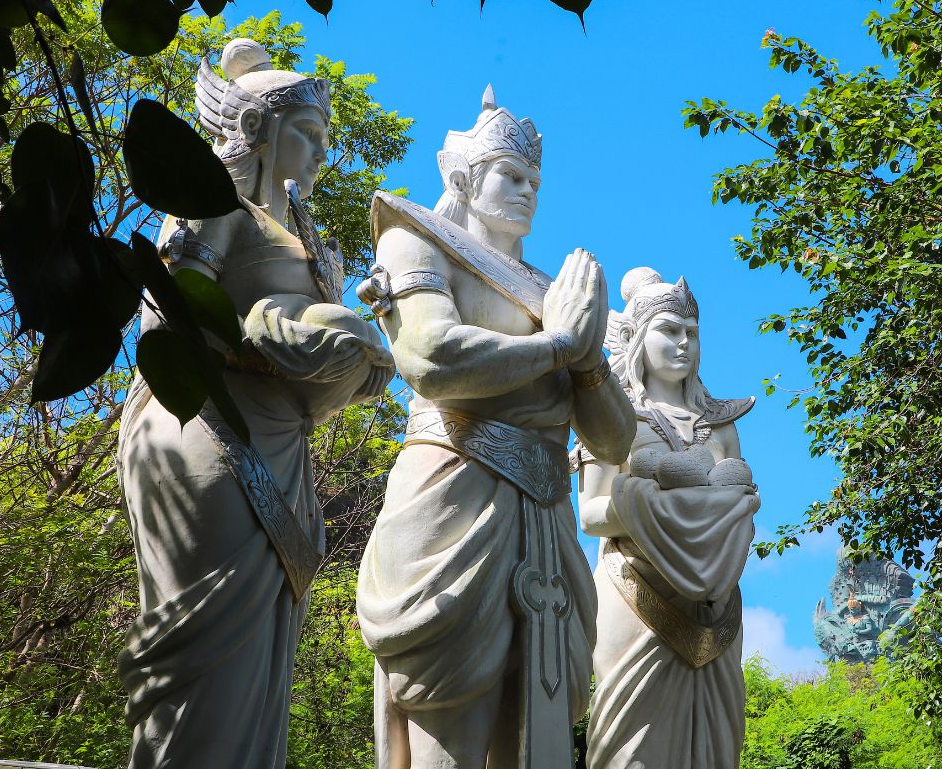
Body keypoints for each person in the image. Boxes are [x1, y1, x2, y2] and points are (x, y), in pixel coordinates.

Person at [116, 38, 393, 769]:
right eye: (310, 133)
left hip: (282, 439)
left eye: (327, 137)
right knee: (200, 652)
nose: (324, 153)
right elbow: (164, 316)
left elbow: (323, 348)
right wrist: (259, 342)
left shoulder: (304, 238)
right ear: (257, 132)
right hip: (203, 430)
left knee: (263, 657)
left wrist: (352, 352)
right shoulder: (213, 208)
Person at [356, 87, 635, 769]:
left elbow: (615, 440)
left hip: (544, 521)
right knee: (448, 727)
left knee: (537, 739)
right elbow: (432, 358)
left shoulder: (556, 290)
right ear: (464, 179)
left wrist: (589, 353)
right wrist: (557, 347)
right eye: (512, 176)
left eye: (535, 181)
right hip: (453, 499)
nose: (527, 191)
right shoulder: (416, 243)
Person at [577, 267, 760, 769]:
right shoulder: (613, 416)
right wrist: (660, 503)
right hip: (636, 590)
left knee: (716, 747)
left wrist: (700, 503)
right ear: (636, 338)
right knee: (629, 744)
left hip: (715, 599)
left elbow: (738, 501)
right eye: (669, 331)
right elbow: (591, 514)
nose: (683, 344)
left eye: (692, 333)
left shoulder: (720, 426)